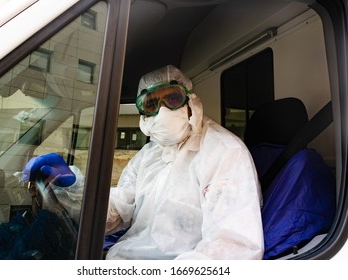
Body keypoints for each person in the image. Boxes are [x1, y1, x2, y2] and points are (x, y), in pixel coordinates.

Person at [20, 65, 264, 260]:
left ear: (190, 101)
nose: (163, 111)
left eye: (172, 98)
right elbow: (116, 210)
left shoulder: (223, 152)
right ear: (143, 115)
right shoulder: (149, 155)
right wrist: (73, 188)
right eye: (151, 104)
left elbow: (232, 247)